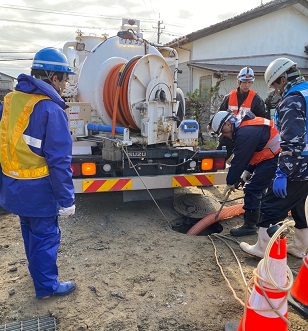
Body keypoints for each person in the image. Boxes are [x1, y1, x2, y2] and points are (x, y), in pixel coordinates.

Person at [0, 47, 77, 298]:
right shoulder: (50, 110)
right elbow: (59, 161)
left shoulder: (11, 101)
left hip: (13, 186)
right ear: (53, 78)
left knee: (29, 233)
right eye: (64, 79)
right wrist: (66, 200)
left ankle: (38, 274)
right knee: (45, 237)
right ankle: (46, 286)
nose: (65, 85)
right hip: (40, 190)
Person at [240, 57, 308, 259]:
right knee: (299, 204)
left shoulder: (292, 100)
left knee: (270, 204)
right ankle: (300, 246)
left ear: (283, 79)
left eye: (276, 85)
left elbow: (292, 140)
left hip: (300, 162)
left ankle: (262, 248)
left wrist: (282, 172)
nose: (277, 90)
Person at [211, 109, 280, 236]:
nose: (224, 135)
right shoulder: (244, 126)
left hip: (275, 156)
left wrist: (230, 181)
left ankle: (250, 226)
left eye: (223, 131)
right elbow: (254, 151)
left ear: (228, 123)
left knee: (253, 189)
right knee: (257, 187)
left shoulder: (245, 132)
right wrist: (248, 170)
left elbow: (239, 160)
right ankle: (259, 220)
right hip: (269, 154)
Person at [209, 66, 268, 159]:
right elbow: (220, 114)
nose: (247, 85)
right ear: (239, 82)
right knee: (218, 159)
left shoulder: (256, 100)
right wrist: (211, 124)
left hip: (246, 137)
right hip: (228, 135)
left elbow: (263, 120)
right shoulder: (229, 97)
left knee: (242, 163)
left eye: (249, 82)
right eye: (244, 82)